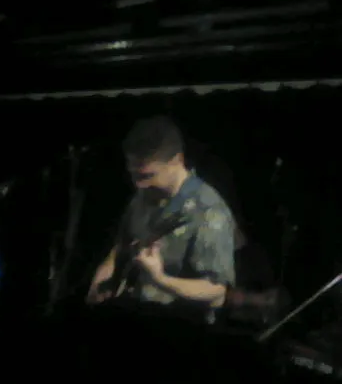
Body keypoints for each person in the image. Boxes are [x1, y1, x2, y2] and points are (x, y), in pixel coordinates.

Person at [87, 116, 236, 324]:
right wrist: (105, 273)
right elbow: (123, 243)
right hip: (131, 315)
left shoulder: (208, 210)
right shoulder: (145, 194)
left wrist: (160, 280)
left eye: (147, 175)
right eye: (133, 175)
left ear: (177, 161)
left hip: (178, 327)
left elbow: (216, 290)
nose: (138, 184)